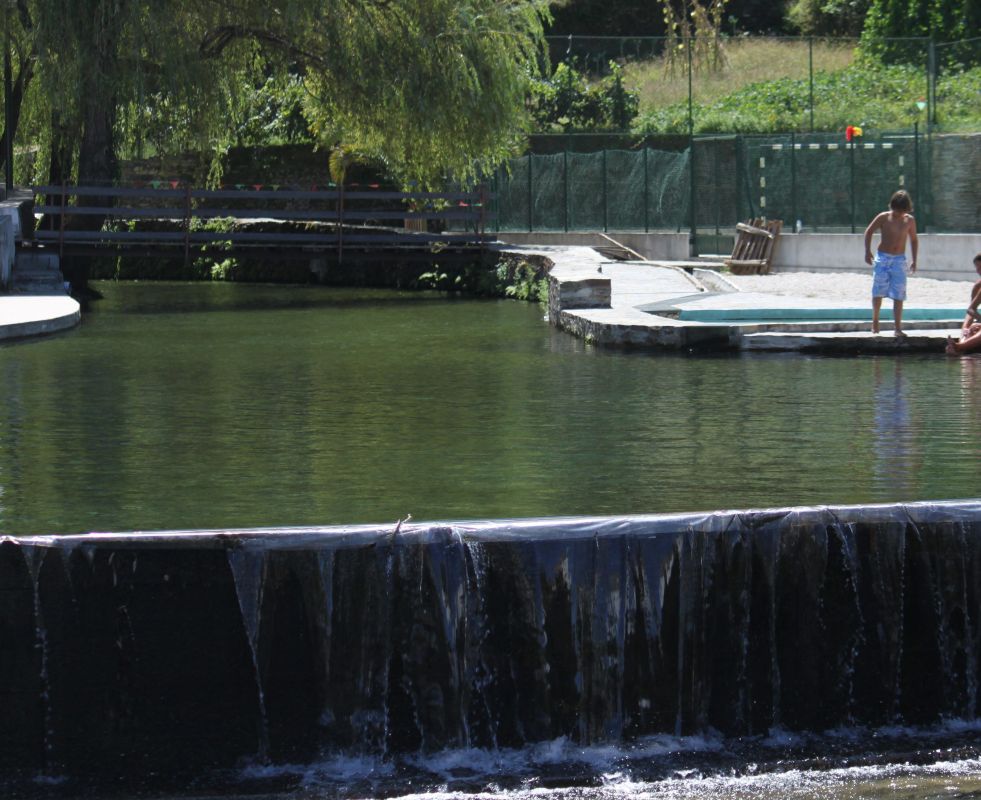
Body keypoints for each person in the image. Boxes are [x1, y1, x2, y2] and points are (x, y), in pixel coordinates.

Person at [864, 190, 918, 336]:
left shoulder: (909, 220)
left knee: (899, 293)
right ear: (892, 206)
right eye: (896, 210)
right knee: (878, 290)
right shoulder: (884, 217)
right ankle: (875, 321)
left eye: (902, 211)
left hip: (899, 260)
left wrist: (914, 260)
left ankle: (897, 328)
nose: (898, 214)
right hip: (883, 258)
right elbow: (869, 231)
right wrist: (867, 251)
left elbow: (913, 240)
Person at [958, 252, 981, 331]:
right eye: (977, 267)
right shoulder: (978, 286)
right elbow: (971, 310)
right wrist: (965, 329)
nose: (978, 271)